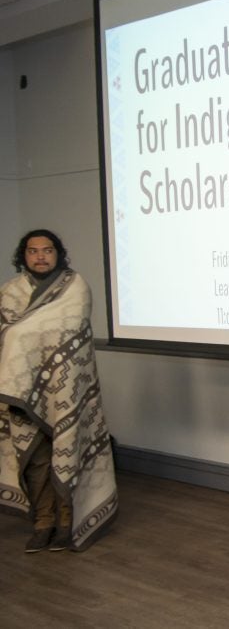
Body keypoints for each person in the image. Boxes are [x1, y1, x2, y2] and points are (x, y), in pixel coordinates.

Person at [0, 229, 118, 552]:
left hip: (66, 391)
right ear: (23, 256)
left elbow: (63, 329)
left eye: (47, 250)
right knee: (36, 460)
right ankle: (42, 523)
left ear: (58, 253)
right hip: (22, 396)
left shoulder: (75, 287)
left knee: (66, 452)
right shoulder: (9, 293)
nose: (41, 256)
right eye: (33, 251)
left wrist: (21, 335)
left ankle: (67, 523)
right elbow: (8, 335)